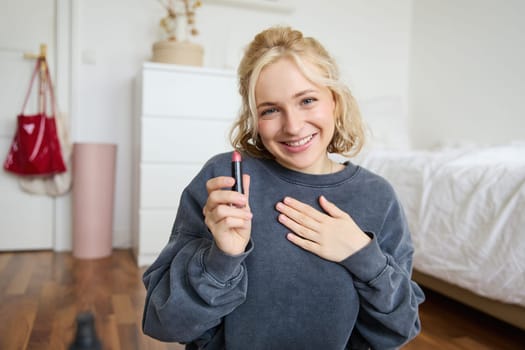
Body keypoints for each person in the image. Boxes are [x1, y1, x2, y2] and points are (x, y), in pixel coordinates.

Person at [142, 25, 424, 349]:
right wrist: (221, 258)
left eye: (307, 100)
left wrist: (363, 256)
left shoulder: (378, 197)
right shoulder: (225, 181)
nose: (292, 126)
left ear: (335, 100)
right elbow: (163, 322)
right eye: (271, 110)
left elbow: (401, 327)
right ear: (253, 117)